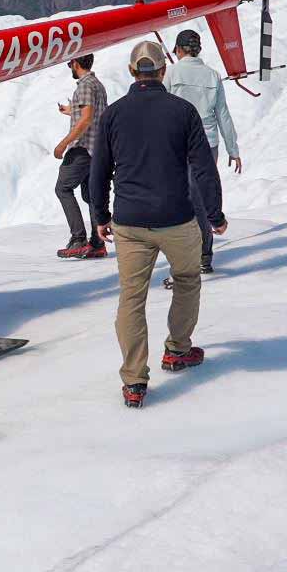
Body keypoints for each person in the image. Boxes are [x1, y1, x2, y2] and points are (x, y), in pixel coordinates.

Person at [91, 40, 228, 408]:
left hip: (130, 221)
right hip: (177, 219)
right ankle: (177, 351)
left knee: (131, 298)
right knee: (186, 280)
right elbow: (202, 169)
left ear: (133, 72)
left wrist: (101, 216)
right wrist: (214, 215)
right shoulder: (183, 112)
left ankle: (135, 381)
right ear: (163, 71)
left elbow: (99, 170)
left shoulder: (114, 114)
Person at [164, 28, 242, 274]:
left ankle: (188, 256)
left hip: (177, 142)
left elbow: (161, 108)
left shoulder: (170, 73)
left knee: (180, 199)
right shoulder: (213, 76)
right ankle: (204, 254)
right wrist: (233, 148)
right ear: (198, 50)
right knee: (199, 196)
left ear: (178, 50)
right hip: (208, 143)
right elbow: (223, 114)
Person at [52, 53, 107, 259]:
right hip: (98, 149)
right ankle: (97, 243)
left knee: (63, 188)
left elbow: (85, 120)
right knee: (90, 195)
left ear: (75, 63)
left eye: (70, 63)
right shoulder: (97, 85)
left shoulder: (84, 86)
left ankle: (78, 239)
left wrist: (63, 144)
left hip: (82, 148)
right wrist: (71, 110)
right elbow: (94, 114)